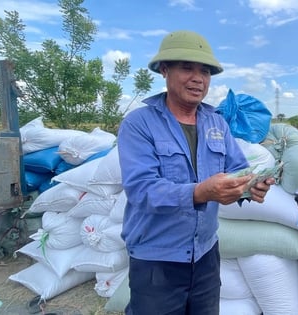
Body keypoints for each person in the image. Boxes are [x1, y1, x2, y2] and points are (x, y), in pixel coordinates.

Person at [116, 30, 274, 315]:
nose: (198, 78)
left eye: (205, 71)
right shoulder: (139, 124)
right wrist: (200, 192)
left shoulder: (216, 122)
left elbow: (237, 169)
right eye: (187, 67)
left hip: (205, 255)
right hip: (157, 260)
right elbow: (142, 190)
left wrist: (252, 186)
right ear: (165, 70)